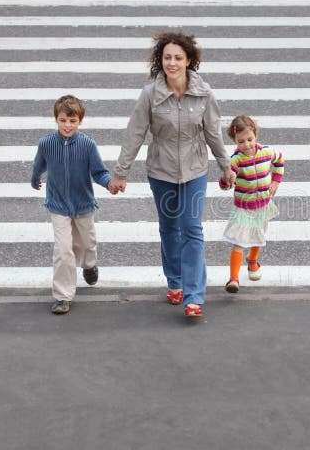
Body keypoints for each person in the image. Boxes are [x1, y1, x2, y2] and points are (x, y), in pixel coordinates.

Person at [108, 31, 235, 318]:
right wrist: (120, 173)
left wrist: (226, 167)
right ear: (160, 60)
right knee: (169, 229)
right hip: (161, 171)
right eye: (167, 57)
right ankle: (175, 281)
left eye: (178, 57)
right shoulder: (150, 94)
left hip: (195, 170)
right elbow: (135, 134)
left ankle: (193, 296)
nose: (172, 63)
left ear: (189, 60)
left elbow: (213, 133)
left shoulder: (204, 93)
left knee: (192, 229)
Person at [31, 94, 114, 315]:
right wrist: (35, 178)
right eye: (63, 120)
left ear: (80, 121)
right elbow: (39, 165)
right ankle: (62, 296)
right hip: (58, 205)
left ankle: (89, 264)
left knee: (86, 243)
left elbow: (99, 172)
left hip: (83, 203)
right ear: (56, 119)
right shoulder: (46, 144)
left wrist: (110, 184)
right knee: (63, 250)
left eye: (73, 121)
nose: (67, 125)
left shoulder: (87, 145)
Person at [219, 115, 285, 293]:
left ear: (256, 135)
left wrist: (276, 181)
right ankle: (233, 278)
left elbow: (279, 161)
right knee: (238, 241)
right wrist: (226, 181)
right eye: (241, 141)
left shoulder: (267, 152)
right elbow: (227, 183)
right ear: (234, 141)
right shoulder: (235, 160)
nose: (246, 144)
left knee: (259, 235)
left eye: (250, 139)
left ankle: (252, 261)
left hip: (262, 204)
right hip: (243, 208)